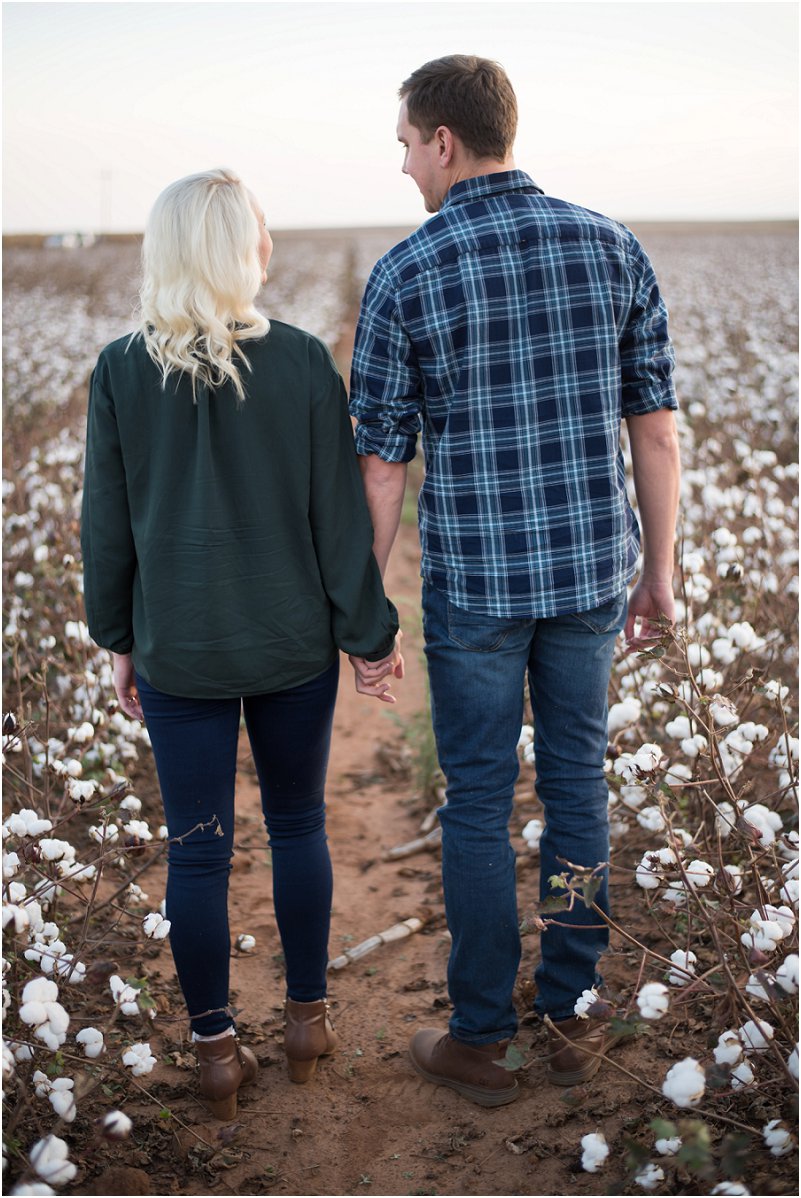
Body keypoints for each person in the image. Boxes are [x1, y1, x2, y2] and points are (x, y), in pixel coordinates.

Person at [348, 56, 680, 1107]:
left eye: (405, 143)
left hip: (478, 586)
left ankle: (484, 1036)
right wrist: (660, 570)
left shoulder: (409, 271)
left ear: (443, 140)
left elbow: (382, 464)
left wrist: (367, 610)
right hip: (590, 572)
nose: (403, 165)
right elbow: (657, 431)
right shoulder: (611, 246)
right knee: (579, 789)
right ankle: (571, 1015)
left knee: (481, 802)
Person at [81, 168, 403, 1120]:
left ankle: (216, 1050)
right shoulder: (303, 362)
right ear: (243, 252)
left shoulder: (119, 370)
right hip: (289, 645)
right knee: (299, 823)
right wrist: (368, 636)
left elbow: (108, 528)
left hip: (179, 647)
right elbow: (336, 523)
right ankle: (307, 1021)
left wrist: (118, 638)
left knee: (197, 851)